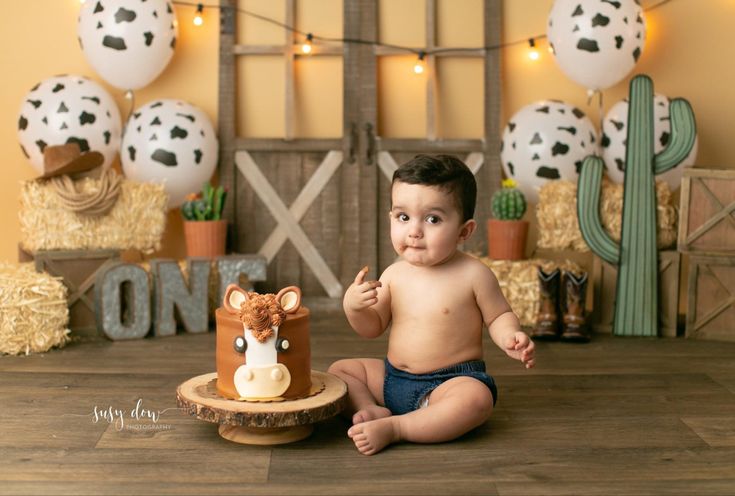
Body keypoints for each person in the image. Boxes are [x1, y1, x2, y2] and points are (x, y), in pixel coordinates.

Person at [328, 154, 536, 456]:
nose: (414, 230)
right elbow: (372, 328)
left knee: (476, 400)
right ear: (391, 218)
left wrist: (509, 336)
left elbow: (499, 315)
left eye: (432, 219)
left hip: (450, 383)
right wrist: (355, 308)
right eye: (403, 217)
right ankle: (370, 409)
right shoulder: (394, 274)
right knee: (341, 371)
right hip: (392, 379)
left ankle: (399, 428)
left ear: (464, 231)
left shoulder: (474, 274)